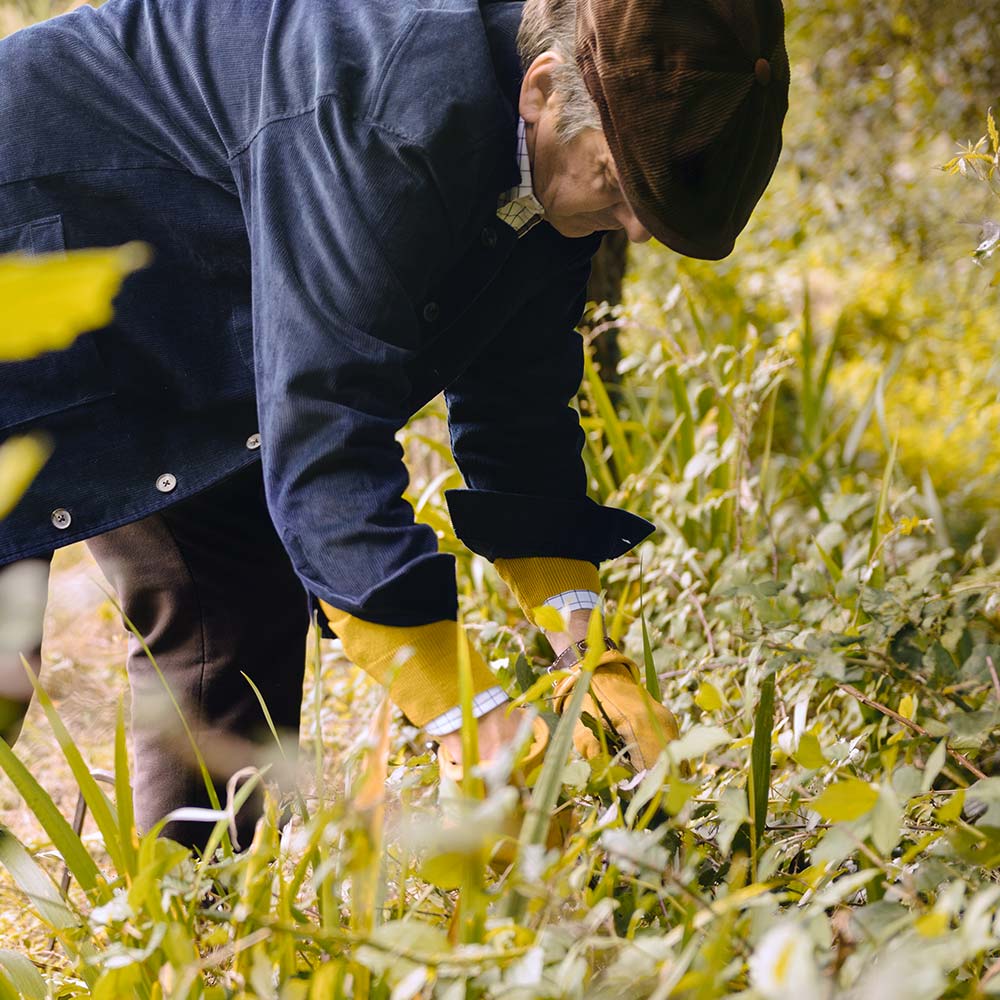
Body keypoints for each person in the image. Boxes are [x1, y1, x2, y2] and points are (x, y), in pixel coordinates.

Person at [0, 0, 789, 848]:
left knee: (233, 617)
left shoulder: (555, 169)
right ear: (544, 89)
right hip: (33, 227)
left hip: (187, 299)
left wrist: (587, 650)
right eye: (620, 187)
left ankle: (189, 939)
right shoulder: (386, 113)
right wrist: (469, 711)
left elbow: (517, 416)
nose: (634, 229)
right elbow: (327, 440)